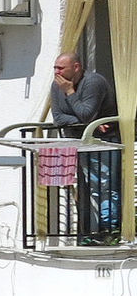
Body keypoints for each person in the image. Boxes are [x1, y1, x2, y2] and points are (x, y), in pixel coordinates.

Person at [51, 52, 119, 241]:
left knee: (106, 187)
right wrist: (90, 121)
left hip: (102, 142)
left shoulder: (93, 82)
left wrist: (71, 93)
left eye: (60, 68)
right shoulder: (56, 85)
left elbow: (86, 114)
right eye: (55, 68)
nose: (56, 72)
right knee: (86, 188)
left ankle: (110, 231)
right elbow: (58, 118)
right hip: (79, 143)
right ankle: (89, 231)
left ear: (76, 67)